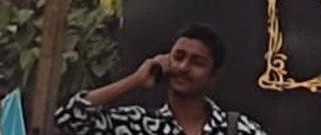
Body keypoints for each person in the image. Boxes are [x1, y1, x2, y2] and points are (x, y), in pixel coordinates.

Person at [56, 31, 263, 135]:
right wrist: (135, 80)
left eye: (196, 62)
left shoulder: (238, 129)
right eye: (178, 57)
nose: (183, 67)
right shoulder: (137, 125)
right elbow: (71, 117)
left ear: (213, 76)